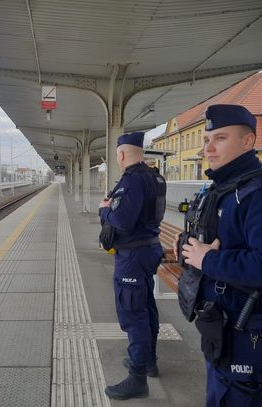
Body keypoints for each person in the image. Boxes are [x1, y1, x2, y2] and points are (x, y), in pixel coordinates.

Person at [174, 104, 262, 406]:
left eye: (219, 138)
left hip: (245, 330)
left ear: (248, 142)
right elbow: (216, 240)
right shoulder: (221, 188)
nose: (208, 148)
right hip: (218, 324)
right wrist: (189, 249)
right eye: (206, 139)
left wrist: (208, 260)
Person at [98, 131, 167, 400]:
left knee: (133, 313)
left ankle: (138, 377)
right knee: (146, 306)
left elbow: (122, 220)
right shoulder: (153, 177)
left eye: (117, 155)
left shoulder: (132, 180)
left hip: (133, 255)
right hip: (148, 247)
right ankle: (148, 361)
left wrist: (105, 209)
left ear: (122, 154)